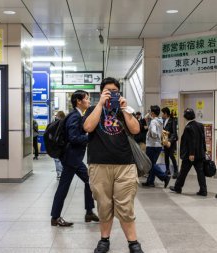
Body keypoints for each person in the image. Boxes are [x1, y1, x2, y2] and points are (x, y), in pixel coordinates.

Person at [84, 77, 144, 253]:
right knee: (103, 204)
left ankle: (133, 243)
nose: (112, 94)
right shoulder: (93, 110)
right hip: (99, 165)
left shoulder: (124, 110)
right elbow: (88, 127)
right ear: (102, 92)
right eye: (108, 91)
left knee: (125, 205)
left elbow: (136, 130)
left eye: (115, 91)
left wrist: (125, 110)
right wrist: (100, 105)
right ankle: (104, 239)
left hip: (125, 165)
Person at [50, 90, 99, 227]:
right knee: (64, 187)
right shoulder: (74, 116)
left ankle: (89, 212)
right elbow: (73, 138)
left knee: (89, 180)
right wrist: (89, 138)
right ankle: (55, 217)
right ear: (79, 101)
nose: (89, 101)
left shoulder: (77, 115)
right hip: (71, 158)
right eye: (87, 98)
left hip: (74, 158)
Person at [170, 108, 207, 196]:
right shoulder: (200, 125)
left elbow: (192, 142)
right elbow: (203, 140)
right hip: (200, 154)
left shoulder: (188, 127)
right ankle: (203, 190)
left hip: (190, 155)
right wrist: (204, 150)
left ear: (186, 117)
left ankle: (178, 187)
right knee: (200, 173)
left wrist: (191, 154)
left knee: (183, 171)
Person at [142, 105, 170, 188]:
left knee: (150, 164)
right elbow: (147, 118)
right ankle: (150, 181)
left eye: (150, 111)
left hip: (152, 145)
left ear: (153, 113)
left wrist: (151, 134)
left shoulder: (154, 122)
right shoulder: (160, 120)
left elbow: (154, 133)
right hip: (158, 145)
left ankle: (164, 177)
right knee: (152, 163)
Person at [161, 107, 179, 179]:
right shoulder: (164, 120)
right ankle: (167, 170)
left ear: (166, 113)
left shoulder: (173, 120)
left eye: (163, 113)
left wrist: (170, 141)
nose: (162, 114)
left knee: (171, 156)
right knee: (166, 156)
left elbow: (174, 133)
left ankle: (176, 171)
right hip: (165, 141)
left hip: (171, 142)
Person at [54, 111, 66, 179]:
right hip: (63, 145)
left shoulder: (56, 124)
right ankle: (62, 173)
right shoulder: (66, 122)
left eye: (57, 116)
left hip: (57, 144)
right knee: (61, 159)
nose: (56, 117)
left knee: (57, 159)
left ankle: (59, 173)